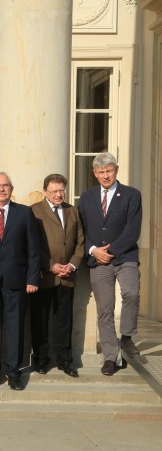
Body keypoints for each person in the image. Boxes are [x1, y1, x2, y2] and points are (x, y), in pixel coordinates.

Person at [78, 152, 142, 376]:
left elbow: (133, 229)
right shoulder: (86, 197)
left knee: (131, 294)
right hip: (98, 260)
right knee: (104, 310)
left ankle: (126, 337)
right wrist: (94, 250)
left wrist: (111, 251)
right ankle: (109, 357)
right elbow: (82, 229)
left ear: (116, 169)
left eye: (109, 171)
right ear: (95, 174)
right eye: (101, 172)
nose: (105, 175)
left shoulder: (132, 195)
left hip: (125, 257)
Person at [0, 172, 40, 391]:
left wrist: (32, 278)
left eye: (6, 186)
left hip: (17, 282)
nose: (2, 189)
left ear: (11, 189)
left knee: (15, 328)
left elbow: (33, 249)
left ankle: (14, 372)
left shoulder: (24, 213)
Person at [31, 174, 84, 377]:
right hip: (44, 275)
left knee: (64, 321)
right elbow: (33, 244)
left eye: (62, 190)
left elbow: (80, 242)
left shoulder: (73, 211)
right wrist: (51, 265)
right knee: (40, 320)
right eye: (54, 191)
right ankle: (41, 360)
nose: (58, 194)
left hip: (67, 276)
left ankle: (65, 360)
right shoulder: (35, 211)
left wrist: (71, 265)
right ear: (45, 191)